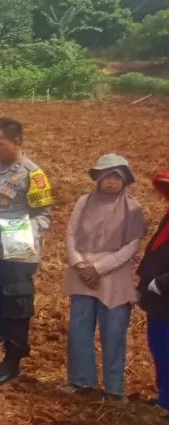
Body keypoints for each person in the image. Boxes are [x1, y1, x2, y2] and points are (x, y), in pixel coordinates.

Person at [60, 154, 146, 400]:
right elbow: (71, 234)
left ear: (125, 180)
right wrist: (78, 263)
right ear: (98, 178)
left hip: (114, 276)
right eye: (106, 177)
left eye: (116, 178)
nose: (111, 182)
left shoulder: (133, 208)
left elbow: (132, 245)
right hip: (81, 272)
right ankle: (81, 380)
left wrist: (98, 268)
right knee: (79, 329)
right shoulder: (83, 201)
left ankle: (114, 389)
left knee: (114, 332)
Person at [0, 117, 52, 385]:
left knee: (15, 311)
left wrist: (21, 233)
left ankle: (11, 364)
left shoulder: (33, 175)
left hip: (16, 256)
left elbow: (44, 214)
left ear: (16, 141)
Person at [138, 172, 169, 419]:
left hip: (165, 293)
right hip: (158, 300)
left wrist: (161, 283)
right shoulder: (168, 218)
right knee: (159, 349)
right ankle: (164, 396)